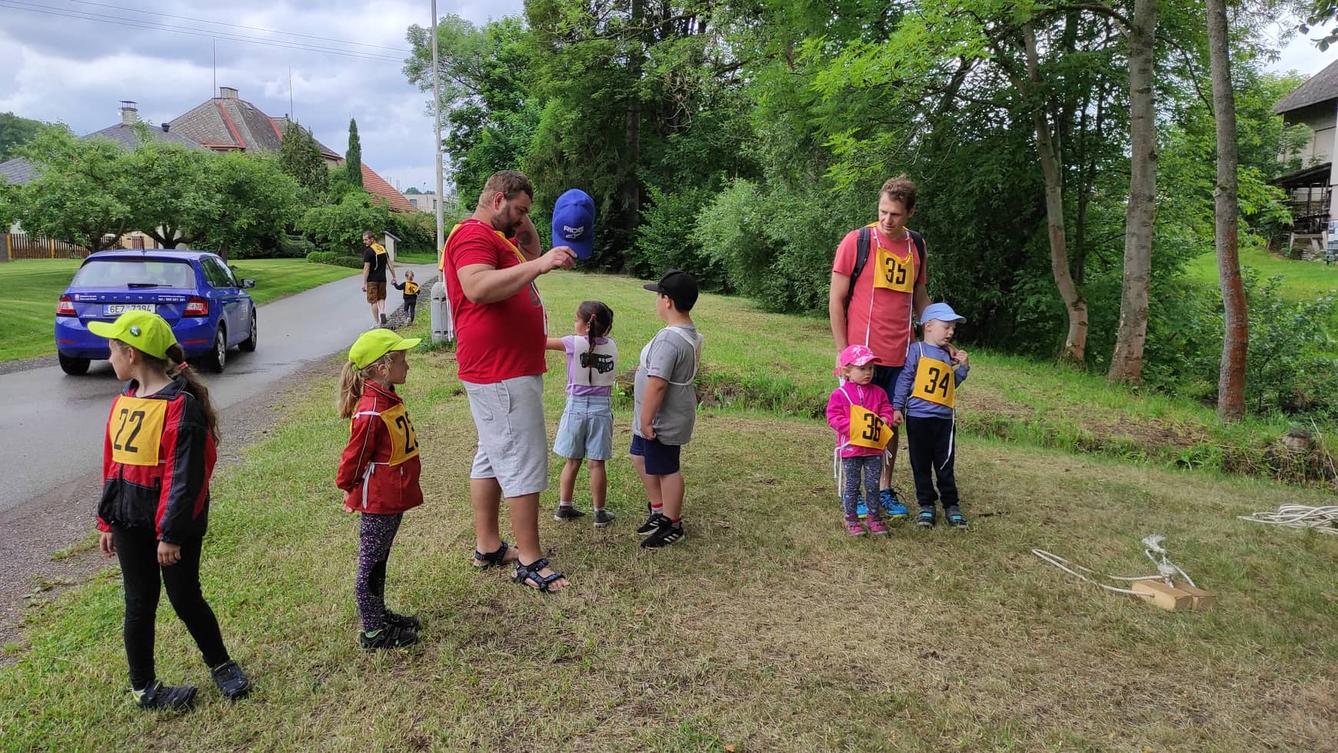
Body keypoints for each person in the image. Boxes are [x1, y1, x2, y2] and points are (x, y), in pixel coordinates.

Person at [90, 310, 250, 711]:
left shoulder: (181, 407)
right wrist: (107, 519)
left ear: (131, 353)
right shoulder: (124, 401)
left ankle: (221, 663)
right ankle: (144, 688)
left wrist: (171, 534)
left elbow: (186, 477)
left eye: (112, 348)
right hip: (129, 522)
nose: (108, 356)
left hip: (172, 531)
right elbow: (113, 466)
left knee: (184, 596)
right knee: (139, 603)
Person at [441, 170, 575, 592]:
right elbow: (477, 287)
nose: (522, 222)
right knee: (520, 457)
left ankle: (488, 545)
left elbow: (531, 248)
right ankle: (530, 560)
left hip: (503, 366)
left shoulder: (499, 237)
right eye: (518, 210)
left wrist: (522, 221)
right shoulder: (473, 236)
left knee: (492, 455)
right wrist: (539, 262)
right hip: (500, 369)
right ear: (497, 200)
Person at [828, 175, 930, 520]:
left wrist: (934, 339)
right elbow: (836, 300)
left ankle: (883, 488)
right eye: (883, 211)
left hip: (900, 354)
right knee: (857, 423)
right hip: (860, 357)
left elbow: (920, 297)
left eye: (896, 215)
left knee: (889, 423)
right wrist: (844, 355)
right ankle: (852, 492)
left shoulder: (917, 246)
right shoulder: (857, 241)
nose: (887, 220)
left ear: (910, 213)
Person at [335, 329, 425, 649]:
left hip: (393, 498)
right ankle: (373, 632)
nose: (408, 366)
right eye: (403, 360)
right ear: (382, 367)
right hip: (379, 500)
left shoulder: (386, 398)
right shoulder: (371, 410)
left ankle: (380, 614)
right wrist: (349, 488)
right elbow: (354, 457)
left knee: (380, 559)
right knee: (371, 564)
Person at [632, 270, 703, 549]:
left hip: (661, 418)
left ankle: (673, 523)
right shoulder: (685, 332)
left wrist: (647, 419)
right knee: (639, 456)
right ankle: (659, 508)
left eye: (658, 296)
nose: (657, 301)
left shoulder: (669, 339)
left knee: (666, 468)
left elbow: (658, 385)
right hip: (652, 416)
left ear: (668, 301)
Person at [892, 303, 971, 529]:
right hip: (918, 417)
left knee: (945, 463)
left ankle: (951, 504)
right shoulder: (917, 350)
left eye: (953, 328)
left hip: (944, 419)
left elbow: (949, 386)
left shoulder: (949, 356)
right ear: (928, 326)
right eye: (946, 327)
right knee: (920, 463)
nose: (951, 332)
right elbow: (906, 379)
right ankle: (926, 504)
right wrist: (898, 407)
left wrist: (963, 369)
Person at [546, 301, 617, 527]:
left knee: (572, 461)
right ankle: (599, 513)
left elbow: (541, 342)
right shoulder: (612, 345)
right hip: (601, 409)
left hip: (575, 407)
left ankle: (564, 506)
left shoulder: (571, 343)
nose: (573, 323)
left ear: (586, 325)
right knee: (597, 463)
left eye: (576, 319)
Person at [826, 344, 895, 537]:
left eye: (871, 368)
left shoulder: (879, 393)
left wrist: (885, 420)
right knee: (852, 485)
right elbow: (833, 417)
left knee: (873, 485)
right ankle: (851, 518)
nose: (868, 373)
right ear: (847, 371)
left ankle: (874, 518)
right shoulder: (840, 395)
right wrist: (852, 427)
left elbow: (886, 410)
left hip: (873, 449)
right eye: (862, 368)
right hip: (851, 449)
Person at [362, 230, 398, 327]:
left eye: (366, 240)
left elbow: (366, 268)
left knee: (373, 301)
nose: (364, 242)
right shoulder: (382, 248)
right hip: (382, 279)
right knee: (381, 298)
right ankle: (382, 312)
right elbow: (389, 263)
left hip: (372, 280)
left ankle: (377, 322)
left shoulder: (368, 251)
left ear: (372, 239)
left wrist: (364, 283)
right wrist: (394, 276)